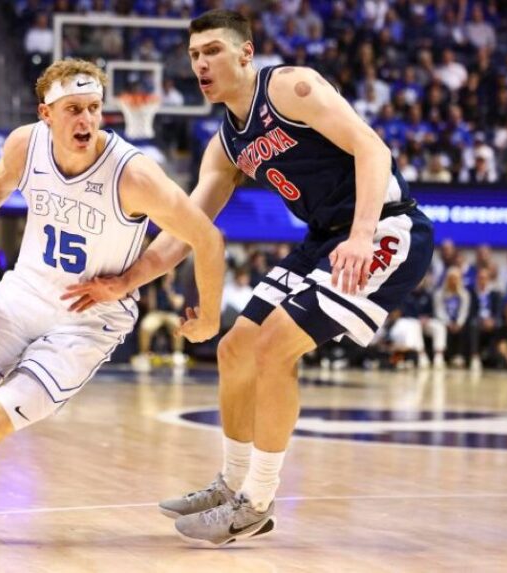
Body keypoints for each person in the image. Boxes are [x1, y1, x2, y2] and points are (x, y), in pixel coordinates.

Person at [62, 10, 434, 546]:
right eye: (194, 55)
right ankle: (232, 482)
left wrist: (361, 233)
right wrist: (128, 280)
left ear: (245, 54)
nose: (201, 64)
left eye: (212, 51)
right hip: (323, 238)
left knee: (274, 348)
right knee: (234, 348)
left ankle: (257, 501)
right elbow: (184, 229)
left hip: (384, 227)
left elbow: (372, 148)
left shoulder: (290, 87)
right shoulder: (226, 145)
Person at [0, 59, 225, 543]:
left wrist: (138, 285)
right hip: (24, 292)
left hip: (89, 318)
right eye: (73, 110)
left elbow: (203, 239)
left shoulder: (134, 175)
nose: (86, 121)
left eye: (94, 109)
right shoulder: (25, 144)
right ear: (46, 112)